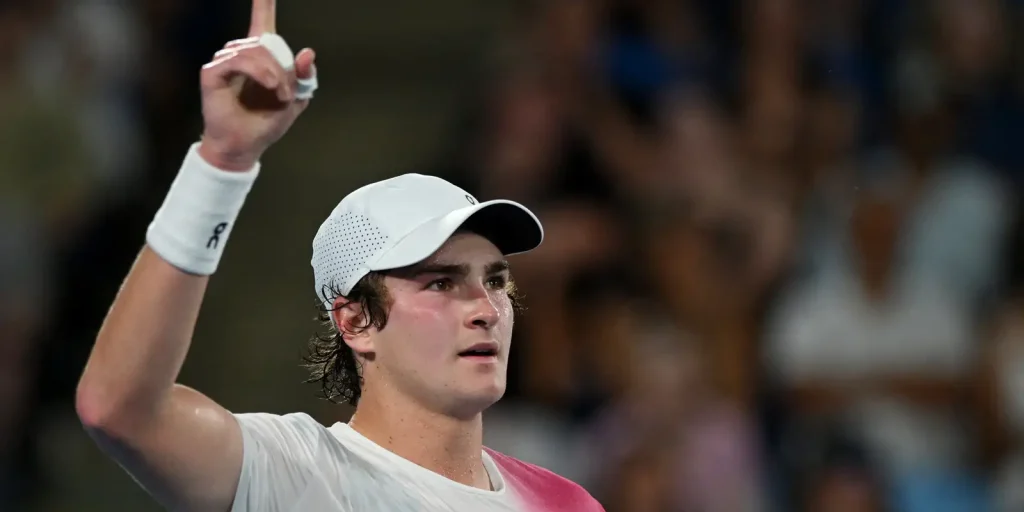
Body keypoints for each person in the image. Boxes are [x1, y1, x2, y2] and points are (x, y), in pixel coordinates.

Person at [74, 1, 604, 511]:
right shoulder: (297, 472)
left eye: (494, 281)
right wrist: (223, 160)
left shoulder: (567, 504)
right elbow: (118, 408)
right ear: (354, 321)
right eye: (441, 283)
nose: (486, 309)